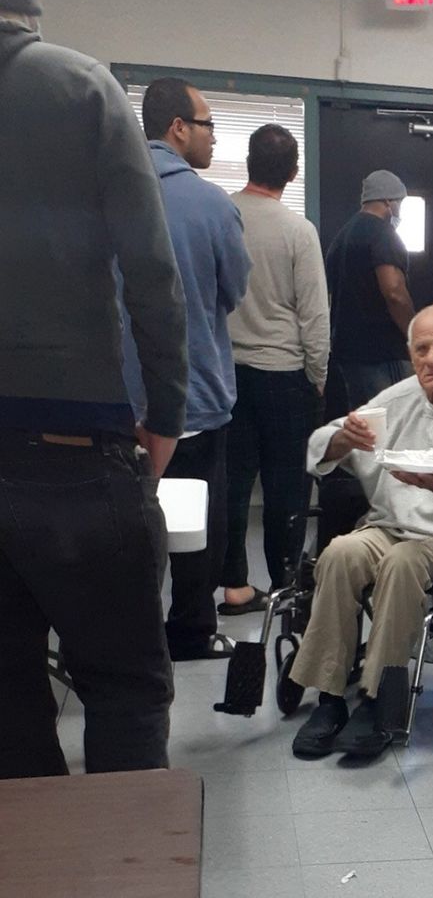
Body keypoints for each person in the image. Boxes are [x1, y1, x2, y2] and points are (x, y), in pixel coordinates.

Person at [0, 0, 187, 778]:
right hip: (78, 452)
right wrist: (168, 421)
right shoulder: (82, 88)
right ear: (30, 3)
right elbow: (152, 274)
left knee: (5, 703)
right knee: (122, 690)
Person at [289, 305, 433, 759]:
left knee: (400, 563)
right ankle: (330, 697)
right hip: (389, 526)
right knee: (339, 553)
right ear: (411, 356)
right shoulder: (395, 400)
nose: (432, 359)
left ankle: (378, 698)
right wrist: (343, 440)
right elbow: (325, 443)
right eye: (422, 349)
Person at [125, 76, 251, 661]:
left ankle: (130, 635)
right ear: (178, 127)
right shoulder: (210, 204)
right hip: (193, 395)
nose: (213, 139)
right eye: (207, 126)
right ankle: (192, 631)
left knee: (124, 526)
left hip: (116, 404)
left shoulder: (107, 193)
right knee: (202, 521)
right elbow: (232, 292)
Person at [220, 125, 329, 613]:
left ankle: (234, 586)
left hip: (226, 375)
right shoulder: (297, 231)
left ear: (247, 162)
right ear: (293, 171)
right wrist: (318, 378)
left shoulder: (220, 216)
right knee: (286, 488)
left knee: (233, 487)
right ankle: (284, 583)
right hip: (285, 377)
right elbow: (314, 315)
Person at [325, 169, 416, 411]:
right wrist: (415, 335)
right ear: (389, 201)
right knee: (396, 422)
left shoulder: (342, 237)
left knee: (364, 426)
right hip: (382, 354)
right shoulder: (383, 234)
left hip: (347, 352)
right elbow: (394, 291)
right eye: (400, 203)